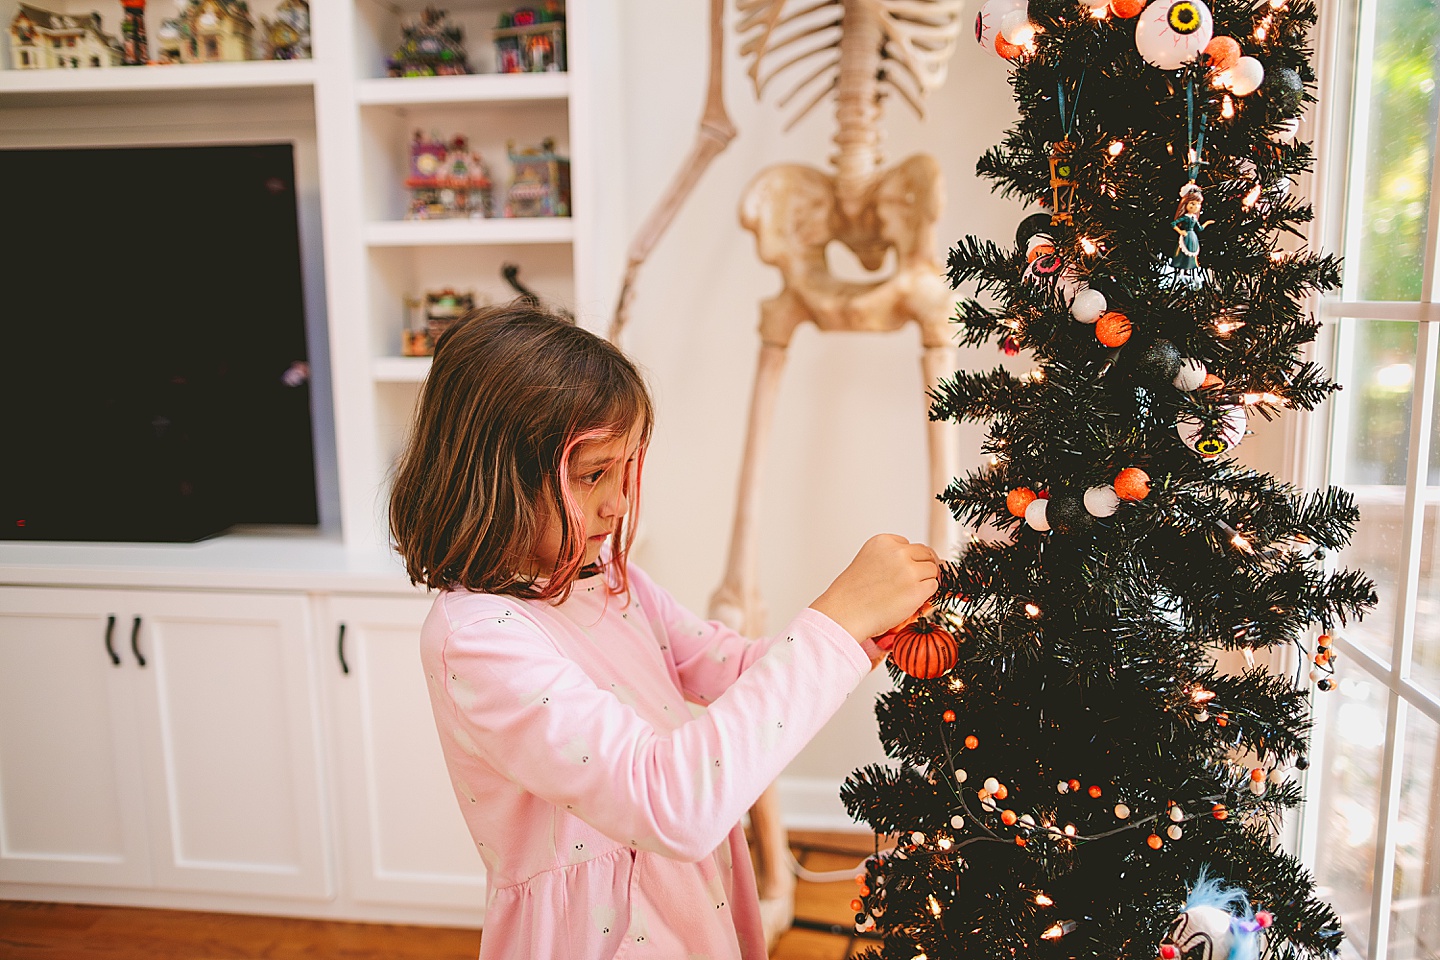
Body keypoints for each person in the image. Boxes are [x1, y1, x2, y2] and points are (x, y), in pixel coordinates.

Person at [389, 302, 939, 959]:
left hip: (687, 905)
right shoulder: (477, 639)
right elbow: (666, 801)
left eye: (624, 472)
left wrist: (861, 635)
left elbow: (733, 668)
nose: (618, 503)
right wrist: (835, 618)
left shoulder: (611, 579)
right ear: (495, 476)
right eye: (593, 475)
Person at [1171, 182, 1214, 272]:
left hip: (1193, 237)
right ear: (1185, 204)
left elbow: (1200, 228)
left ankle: (1190, 266)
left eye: (1198, 204)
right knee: (1183, 251)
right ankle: (1180, 265)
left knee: (1192, 251)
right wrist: (1180, 231)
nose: (1195, 206)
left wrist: (1207, 223)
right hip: (1186, 235)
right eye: (1192, 203)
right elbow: (1173, 224)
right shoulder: (1185, 217)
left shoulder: (1194, 218)